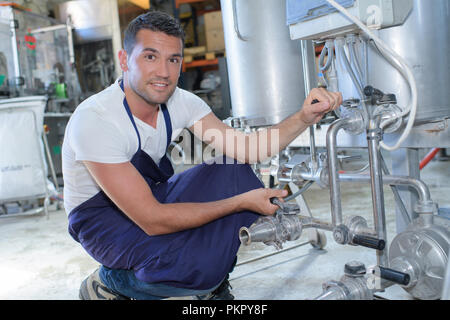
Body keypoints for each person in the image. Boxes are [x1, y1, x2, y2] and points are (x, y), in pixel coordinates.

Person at [62, 10, 342, 300]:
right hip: (99, 218)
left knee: (234, 169)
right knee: (180, 264)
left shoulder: (181, 101)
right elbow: (153, 219)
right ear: (124, 60)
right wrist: (238, 204)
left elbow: (249, 149)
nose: (164, 72)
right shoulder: (96, 120)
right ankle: (111, 281)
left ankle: (212, 280)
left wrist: (305, 117)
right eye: (150, 57)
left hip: (149, 193)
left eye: (173, 59)